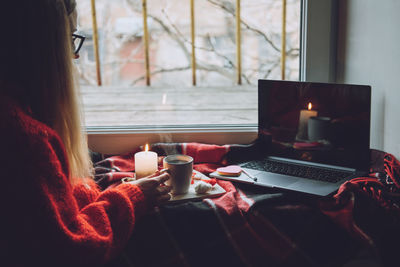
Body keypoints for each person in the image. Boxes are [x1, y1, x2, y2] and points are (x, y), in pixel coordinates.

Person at [0, 0, 171, 266]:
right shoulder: (24, 139)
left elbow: (45, 212)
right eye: (69, 38)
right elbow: (75, 249)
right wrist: (131, 197)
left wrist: (94, 196)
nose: (74, 55)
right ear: (42, 46)